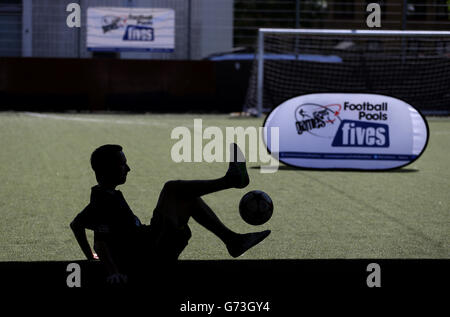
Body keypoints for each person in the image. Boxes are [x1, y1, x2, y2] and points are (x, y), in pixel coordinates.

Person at [70, 143, 271, 284]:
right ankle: (230, 182)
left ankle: (232, 240)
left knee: (185, 196)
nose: (128, 169)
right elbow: (101, 241)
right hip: (152, 254)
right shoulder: (103, 201)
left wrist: (89, 257)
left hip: (152, 240)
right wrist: (111, 270)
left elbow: (77, 224)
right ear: (107, 169)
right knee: (172, 189)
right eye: (123, 164)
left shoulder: (103, 195)